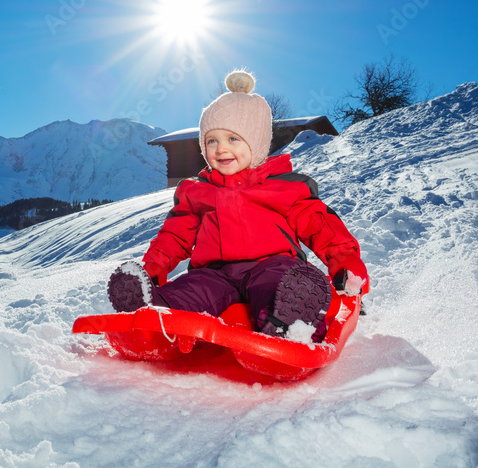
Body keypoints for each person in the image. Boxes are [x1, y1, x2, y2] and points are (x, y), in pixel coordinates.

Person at [108, 70, 369, 341]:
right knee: (189, 290)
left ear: (255, 143)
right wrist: (154, 266)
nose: (221, 149)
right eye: (212, 141)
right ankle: (153, 313)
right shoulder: (197, 191)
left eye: (233, 139)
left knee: (280, 286)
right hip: (212, 273)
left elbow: (321, 225)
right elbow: (175, 235)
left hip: (272, 265)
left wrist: (344, 262)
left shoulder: (286, 187)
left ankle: (289, 325)